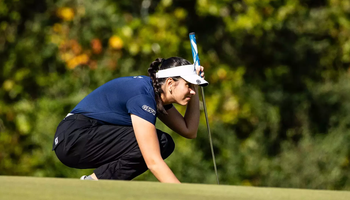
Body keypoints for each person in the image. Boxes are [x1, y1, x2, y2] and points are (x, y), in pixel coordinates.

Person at [52, 57, 208, 183]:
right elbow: (153, 161)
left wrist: (197, 84)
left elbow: (189, 130)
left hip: (80, 139)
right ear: (169, 83)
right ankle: (94, 182)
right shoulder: (143, 96)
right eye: (188, 85)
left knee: (165, 143)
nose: (192, 92)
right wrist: (184, 194)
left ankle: (94, 182)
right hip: (73, 137)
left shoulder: (155, 95)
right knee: (159, 142)